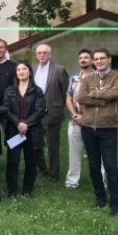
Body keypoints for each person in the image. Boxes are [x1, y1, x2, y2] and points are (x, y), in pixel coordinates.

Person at [78, 48, 118, 216]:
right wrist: (101, 101)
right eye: (96, 59)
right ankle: (100, 198)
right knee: (93, 165)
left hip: (108, 128)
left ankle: (115, 204)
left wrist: (95, 93)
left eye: (102, 58)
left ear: (109, 59)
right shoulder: (88, 78)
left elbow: (116, 92)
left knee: (111, 166)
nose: (99, 61)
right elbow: (80, 97)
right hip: (88, 127)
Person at [3, 62, 46, 198]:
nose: (21, 71)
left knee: (31, 162)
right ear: (16, 73)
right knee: (13, 162)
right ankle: (12, 191)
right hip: (14, 131)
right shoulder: (9, 90)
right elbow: (6, 110)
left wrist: (26, 124)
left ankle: (27, 190)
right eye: (18, 69)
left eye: (24, 69)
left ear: (30, 72)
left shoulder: (37, 91)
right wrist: (18, 123)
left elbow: (40, 111)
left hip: (32, 131)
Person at [65, 49, 106, 189]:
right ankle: (72, 181)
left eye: (86, 57)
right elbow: (69, 98)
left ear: (92, 60)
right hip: (75, 121)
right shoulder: (74, 78)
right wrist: (74, 114)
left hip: (94, 122)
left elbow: (100, 100)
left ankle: (101, 182)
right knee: (74, 153)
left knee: (97, 154)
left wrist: (84, 116)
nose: (83, 60)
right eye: (81, 57)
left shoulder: (100, 78)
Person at [33, 43, 69, 180]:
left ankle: (54, 173)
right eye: (39, 53)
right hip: (35, 113)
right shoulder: (33, 68)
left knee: (52, 145)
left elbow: (66, 92)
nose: (42, 55)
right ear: (36, 55)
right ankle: (42, 168)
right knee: (36, 143)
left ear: (50, 54)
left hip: (52, 113)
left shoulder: (59, 70)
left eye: (44, 52)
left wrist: (60, 107)